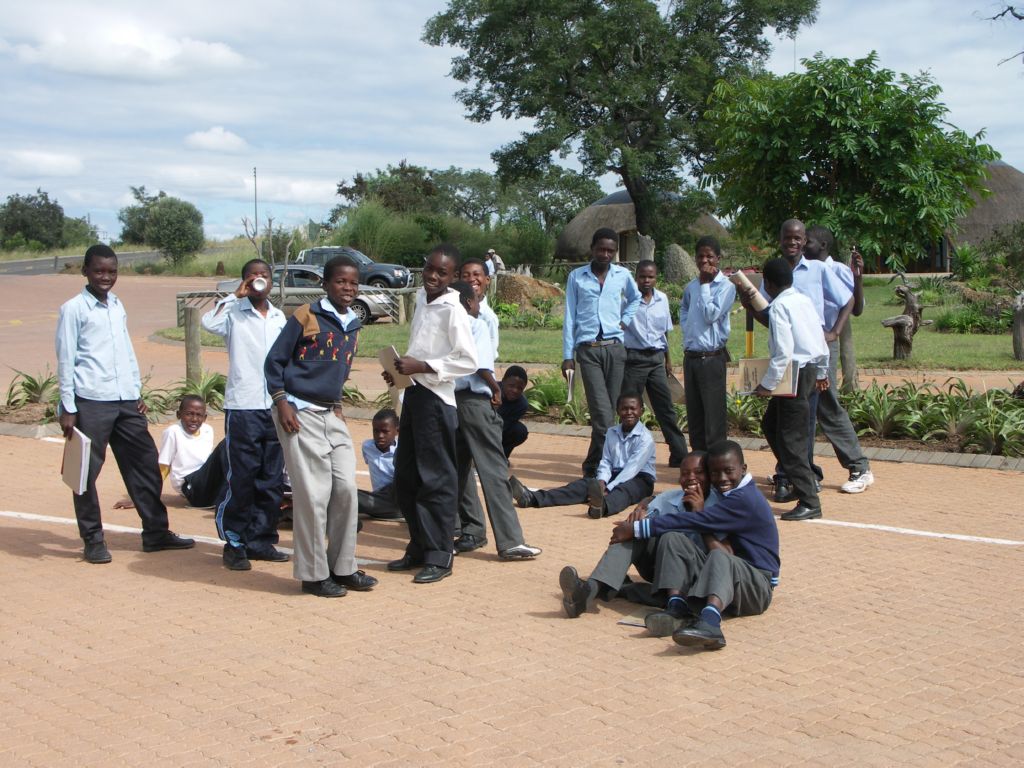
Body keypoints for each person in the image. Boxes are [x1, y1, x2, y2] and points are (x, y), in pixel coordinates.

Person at [55, 244, 195, 563]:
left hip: (126, 403)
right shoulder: (73, 309)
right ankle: (92, 539)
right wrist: (68, 406)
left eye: (112, 271)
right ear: (85, 271)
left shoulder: (117, 305)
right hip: (90, 402)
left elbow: (126, 353)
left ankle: (156, 533)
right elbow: (66, 360)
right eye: (99, 271)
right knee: (84, 473)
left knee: (145, 465)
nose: (106, 277)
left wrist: (136, 392)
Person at [265, 255, 376, 598]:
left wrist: (338, 405)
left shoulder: (353, 323)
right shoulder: (306, 315)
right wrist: (281, 401)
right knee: (313, 497)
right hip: (298, 412)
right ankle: (313, 575)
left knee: (344, 489)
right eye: (341, 282)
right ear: (326, 284)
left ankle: (341, 568)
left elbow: (338, 371)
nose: (348, 288)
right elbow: (275, 361)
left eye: (354, 283)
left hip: (331, 415)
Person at [746, 220, 874, 499]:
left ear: (804, 242)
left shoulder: (818, 269)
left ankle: (857, 467)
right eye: (787, 238)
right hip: (790, 354)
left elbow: (848, 299)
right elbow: (773, 317)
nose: (792, 242)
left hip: (816, 352)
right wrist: (750, 306)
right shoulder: (777, 272)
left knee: (824, 409)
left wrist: (834, 332)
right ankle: (798, 471)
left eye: (797, 238)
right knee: (789, 418)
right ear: (780, 239)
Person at [611, 440, 779, 651]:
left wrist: (636, 529)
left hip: (757, 588)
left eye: (728, 471)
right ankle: (676, 607)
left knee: (719, 555)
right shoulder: (729, 494)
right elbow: (693, 516)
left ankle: (711, 623)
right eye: (715, 473)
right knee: (674, 538)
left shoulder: (744, 500)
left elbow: (691, 520)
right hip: (732, 580)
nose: (722, 479)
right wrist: (648, 500)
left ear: (743, 469)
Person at [383, 244, 477, 584]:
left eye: (442, 273)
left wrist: (423, 366)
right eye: (430, 269)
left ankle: (440, 554)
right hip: (414, 394)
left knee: (436, 479)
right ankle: (419, 545)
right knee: (406, 476)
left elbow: (468, 360)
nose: (433, 277)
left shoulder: (454, 310)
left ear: (452, 277)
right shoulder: (423, 300)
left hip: (437, 401)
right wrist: (399, 371)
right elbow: (420, 348)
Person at [556, 452, 724, 621]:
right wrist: (639, 512)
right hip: (660, 569)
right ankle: (588, 591)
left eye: (698, 472)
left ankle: (621, 588)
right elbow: (646, 507)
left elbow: (721, 556)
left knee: (669, 540)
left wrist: (699, 515)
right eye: (685, 474)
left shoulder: (721, 506)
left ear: (710, 475)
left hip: (697, 577)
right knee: (633, 532)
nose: (691, 478)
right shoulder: (670, 498)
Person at [202, 258, 289, 571]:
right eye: (252, 275)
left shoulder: (279, 317)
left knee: (271, 479)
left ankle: (261, 540)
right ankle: (235, 541)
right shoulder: (233, 314)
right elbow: (207, 324)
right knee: (242, 476)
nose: (259, 279)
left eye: (264, 275)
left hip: (274, 405)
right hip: (243, 406)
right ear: (245, 281)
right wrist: (234, 296)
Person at [450, 281, 542, 560]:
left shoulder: (444, 326)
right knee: (494, 469)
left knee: (460, 469)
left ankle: (472, 529)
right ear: (468, 303)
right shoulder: (474, 324)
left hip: (451, 402)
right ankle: (511, 541)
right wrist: (496, 386)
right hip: (476, 401)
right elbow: (478, 365)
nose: (479, 305)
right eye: (477, 300)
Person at [754, 257, 829, 521]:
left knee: (791, 439)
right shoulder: (803, 301)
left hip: (793, 375)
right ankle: (798, 481)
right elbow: (820, 338)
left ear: (768, 283)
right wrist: (822, 371)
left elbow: (783, 353)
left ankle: (810, 499)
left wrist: (766, 385)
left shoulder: (779, 307)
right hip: (807, 371)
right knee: (771, 425)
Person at [562, 228, 642, 476]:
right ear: (592, 249)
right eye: (601, 249)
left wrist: (625, 320)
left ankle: (595, 465)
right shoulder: (577, 277)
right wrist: (568, 355)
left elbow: (635, 298)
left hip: (615, 350)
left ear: (615, 252)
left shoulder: (622, 275)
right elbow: (569, 316)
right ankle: (599, 467)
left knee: (613, 414)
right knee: (602, 415)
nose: (605, 254)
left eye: (610, 250)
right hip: (588, 351)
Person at [509, 393, 655, 519]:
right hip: (614, 474)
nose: (629, 412)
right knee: (581, 485)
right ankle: (532, 498)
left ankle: (601, 508)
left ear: (641, 411)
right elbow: (606, 461)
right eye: (624, 408)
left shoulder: (645, 438)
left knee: (624, 491)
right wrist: (602, 482)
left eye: (633, 408)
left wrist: (608, 488)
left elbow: (632, 469)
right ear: (617, 411)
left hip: (639, 478)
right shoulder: (612, 432)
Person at [622, 259, 689, 467]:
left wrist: (668, 360)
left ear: (656, 278)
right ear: (636, 278)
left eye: (650, 276)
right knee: (630, 408)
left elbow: (665, 332)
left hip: (657, 360)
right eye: (642, 276)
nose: (646, 280)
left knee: (665, 408)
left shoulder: (663, 299)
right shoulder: (626, 301)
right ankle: (626, 455)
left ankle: (679, 453)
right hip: (634, 360)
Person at [113, 394, 226, 510]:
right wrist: (145, 498)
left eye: (199, 415)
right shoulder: (173, 432)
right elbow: (163, 466)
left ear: (205, 417)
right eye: (189, 414)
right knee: (226, 444)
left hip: (206, 484)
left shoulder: (208, 430)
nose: (194, 419)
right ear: (178, 415)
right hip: (191, 486)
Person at [679, 236, 736, 451]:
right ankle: (699, 461)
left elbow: (711, 315)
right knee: (695, 413)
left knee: (714, 415)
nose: (705, 261)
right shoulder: (692, 286)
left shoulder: (725, 287)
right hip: (692, 356)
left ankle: (716, 462)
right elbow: (684, 308)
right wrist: (688, 327)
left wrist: (705, 286)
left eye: (709, 256)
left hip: (712, 358)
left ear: (718, 259)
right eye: (701, 256)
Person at [804, 226, 865, 392]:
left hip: (827, 338)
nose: (802, 245)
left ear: (823, 245)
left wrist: (858, 279)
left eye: (807, 241)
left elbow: (856, 308)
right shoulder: (804, 270)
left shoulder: (839, 270)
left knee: (826, 390)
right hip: (806, 340)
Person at [358, 408, 402, 521]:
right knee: (348, 494)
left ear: (397, 431)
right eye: (376, 431)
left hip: (398, 497)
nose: (380, 435)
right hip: (379, 498)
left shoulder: (402, 449)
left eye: (385, 431)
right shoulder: (367, 447)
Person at [496, 366, 529, 458]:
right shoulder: (491, 391)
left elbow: (505, 427)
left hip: (499, 429)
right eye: (511, 386)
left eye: (520, 388)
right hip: (480, 426)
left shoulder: (522, 404)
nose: (515, 390)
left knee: (520, 431)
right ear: (503, 381)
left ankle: (501, 457)